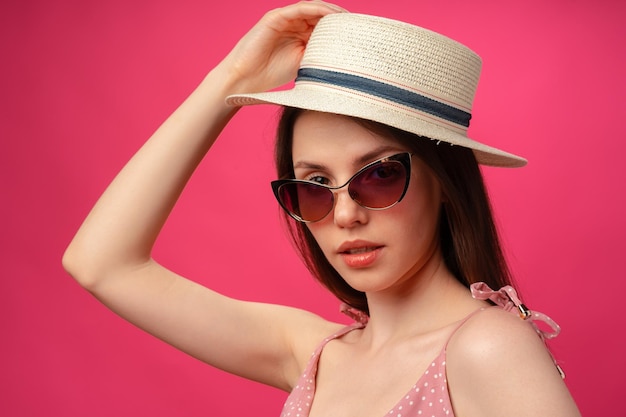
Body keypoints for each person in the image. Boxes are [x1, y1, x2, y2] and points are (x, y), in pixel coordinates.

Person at [63, 2, 581, 416]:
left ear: (445, 183)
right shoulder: (314, 355)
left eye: (379, 174)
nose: (344, 214)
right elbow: (102, 264)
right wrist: (232, 78)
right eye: (314, 185)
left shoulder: (487, 349)